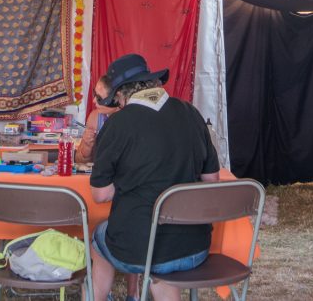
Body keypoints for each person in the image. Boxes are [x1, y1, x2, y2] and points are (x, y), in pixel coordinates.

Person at [89, 53, 219, 301]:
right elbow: (211, 182)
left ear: (120, 94)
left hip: (138, 248)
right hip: (195, 246)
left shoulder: (117, 124)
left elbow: (100, 195)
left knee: (99, 238)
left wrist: (129, 181)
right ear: (153, 83)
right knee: (162, 262)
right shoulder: (191, 113)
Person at [75, 78, 119, 164]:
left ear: (116, 99)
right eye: (94, 94)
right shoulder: (95, 117)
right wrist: (87, 147)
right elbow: (79, 162)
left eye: (99, 98)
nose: (94, 100)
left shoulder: (130, 120)